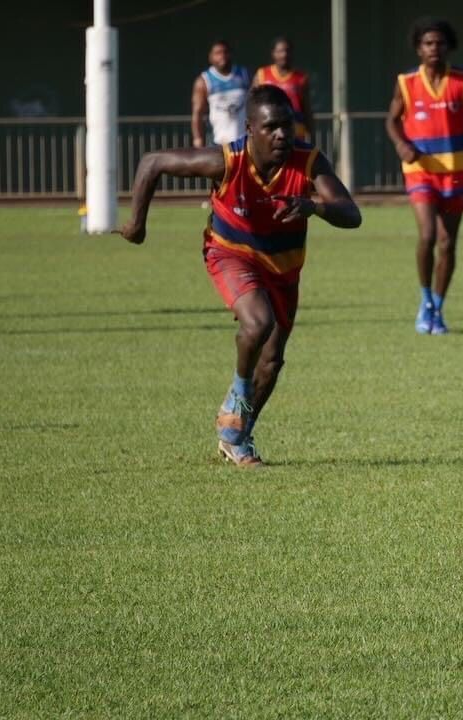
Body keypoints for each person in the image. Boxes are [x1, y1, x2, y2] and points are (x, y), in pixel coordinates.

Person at [118, 85, 362, 467]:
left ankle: (236, 436)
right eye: (272, 127)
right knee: (257, 323)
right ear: (250, 129)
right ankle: (238, 392)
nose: (282, 134)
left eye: (288, 125)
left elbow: (352, 214)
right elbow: (152, 162)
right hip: (230, 253)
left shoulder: (309, 162)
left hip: (283, 267)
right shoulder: (226, 161)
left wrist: (313, 206)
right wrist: (136, 225)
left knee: (272, 362)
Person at [385, 17, 463, 335]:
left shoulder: (462, 81)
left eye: (439, 43)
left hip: (456, 172)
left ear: (448, 46)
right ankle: (425, 302)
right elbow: (391, 121)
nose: (434, 48)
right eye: (428, 43)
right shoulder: (406, 83)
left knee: (448, 243)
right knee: (428, 236)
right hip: (421, 171)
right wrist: (401, 144)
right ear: (418, 49)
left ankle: (437, 307)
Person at [191, 40, 251, 148]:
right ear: (210, 57)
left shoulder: (244, 74)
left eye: (225, 52)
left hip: (245, 142)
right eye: (218, 53)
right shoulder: (204, 80)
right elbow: (198, 113)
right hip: (219, 144)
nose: (222, 56)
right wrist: (198, 140)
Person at [253, 36, 312, 142]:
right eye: (280, 51)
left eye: (287, 51)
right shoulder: (262, 75)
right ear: (273, 53)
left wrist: (311, 132)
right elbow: (253, 103)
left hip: (295, 130)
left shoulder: (301, 77)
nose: (284, 55)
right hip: (270, 129)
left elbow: (307, 108)